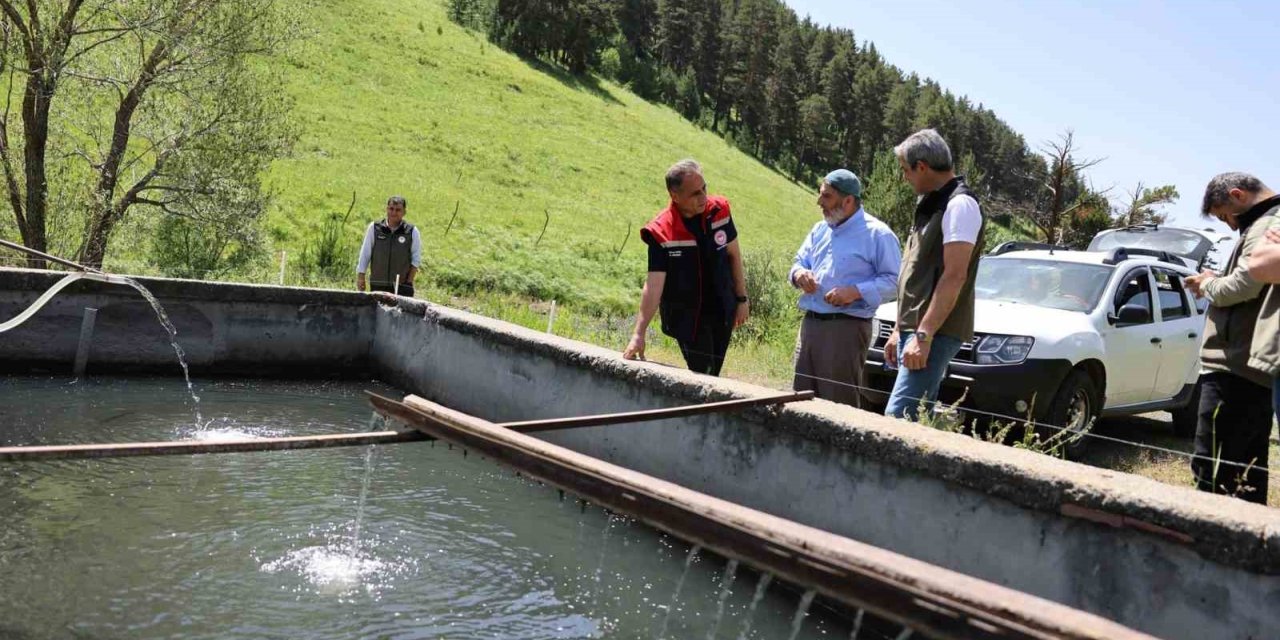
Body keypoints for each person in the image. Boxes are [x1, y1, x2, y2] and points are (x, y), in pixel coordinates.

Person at [1183, 172, 1277, 504]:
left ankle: (1208, 549)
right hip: (1248, 367)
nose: (1230, 226)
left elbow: (1245, 284)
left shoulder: (1267, 224)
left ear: (1237, 195)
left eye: (1225, 217)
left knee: (1215, 469)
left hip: (1235, 366)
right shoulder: (1265, 223)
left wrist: (1206, 285)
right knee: (1245, 474)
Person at [882, 129, 985, 420]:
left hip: (935, 331)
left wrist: (923, 337)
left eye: (906, 170)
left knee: (900, 417)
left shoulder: (960, 205)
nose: (905, 178)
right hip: (917, 329)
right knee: (915, 417)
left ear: (922, 166)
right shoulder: (931, 203)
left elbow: (954, 276)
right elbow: (917, 271)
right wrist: (900, 330)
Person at [622, 160, 749, 376]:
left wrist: (742, 299)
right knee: (704, 375)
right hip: (688, 318)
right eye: (695, 193)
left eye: (704, 189)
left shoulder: (720, 211)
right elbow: (653, 285)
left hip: (722, 310)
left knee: (712, 374)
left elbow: (734, 255)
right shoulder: (661, 232)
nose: (703, 197)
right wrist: (639, 334)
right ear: (675, 196)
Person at [789, 169, 901, 408]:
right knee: (799, 401)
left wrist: (855, 291)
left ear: (848, 200)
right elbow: (799, 262)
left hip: (846, 329)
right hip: (810, 325)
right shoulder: (820, 230)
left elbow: (895, 282)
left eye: (826, 197)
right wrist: (800, 274)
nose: (819, 202)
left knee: (837, 406)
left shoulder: (878, 234)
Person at [356, 196, 422, 297]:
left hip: (401, 287)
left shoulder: (412, 231)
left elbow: (416, 260)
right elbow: (365, 254)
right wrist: (361, 276)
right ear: (387, 209)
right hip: (378, 284)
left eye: (398, 210)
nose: (394, 212)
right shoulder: (374, 228)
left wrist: (408, 283)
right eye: (391, 209)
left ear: (404, 212)